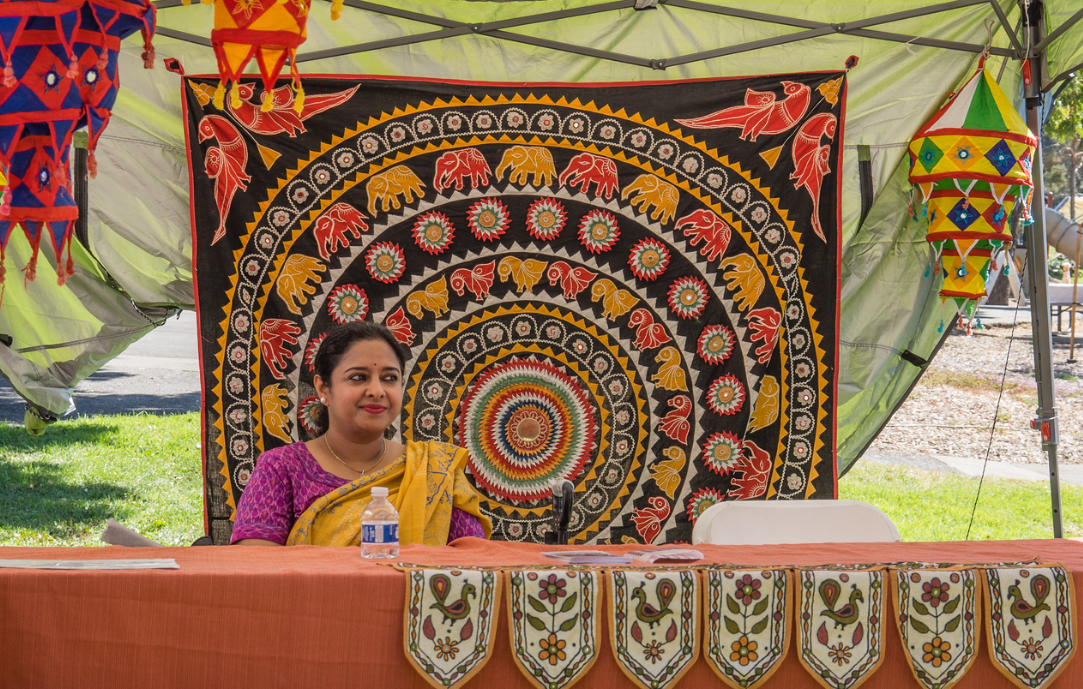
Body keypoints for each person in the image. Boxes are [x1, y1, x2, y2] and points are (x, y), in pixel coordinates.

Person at [232, 322, 491, 546]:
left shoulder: (433, 470)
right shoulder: (280, 468)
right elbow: (256, 572)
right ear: (323, 387)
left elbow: (473, 565)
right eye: (358, 377)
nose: (377, 390)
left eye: (390, 378)